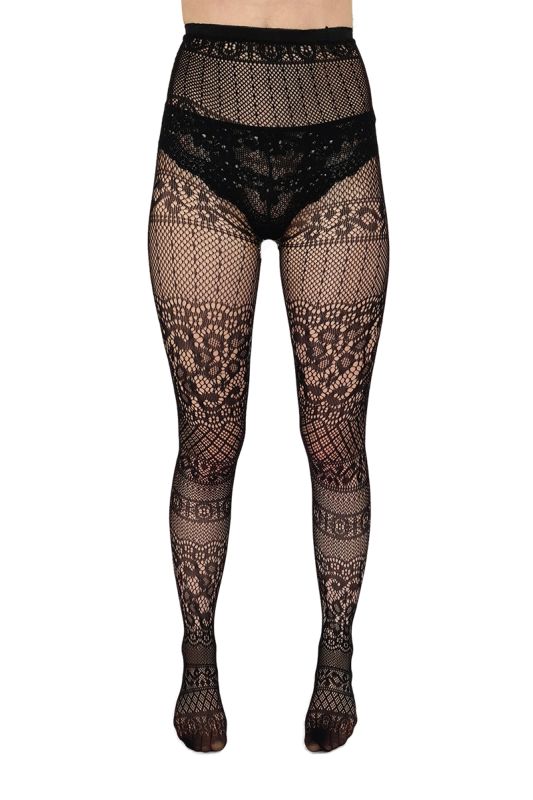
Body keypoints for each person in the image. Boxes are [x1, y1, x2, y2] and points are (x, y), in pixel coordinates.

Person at [147, 0, 389, 753]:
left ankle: (336, 656)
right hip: (204, 118)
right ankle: (197, 656)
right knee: (209, 439)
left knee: (334, 438)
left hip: (333, 118)